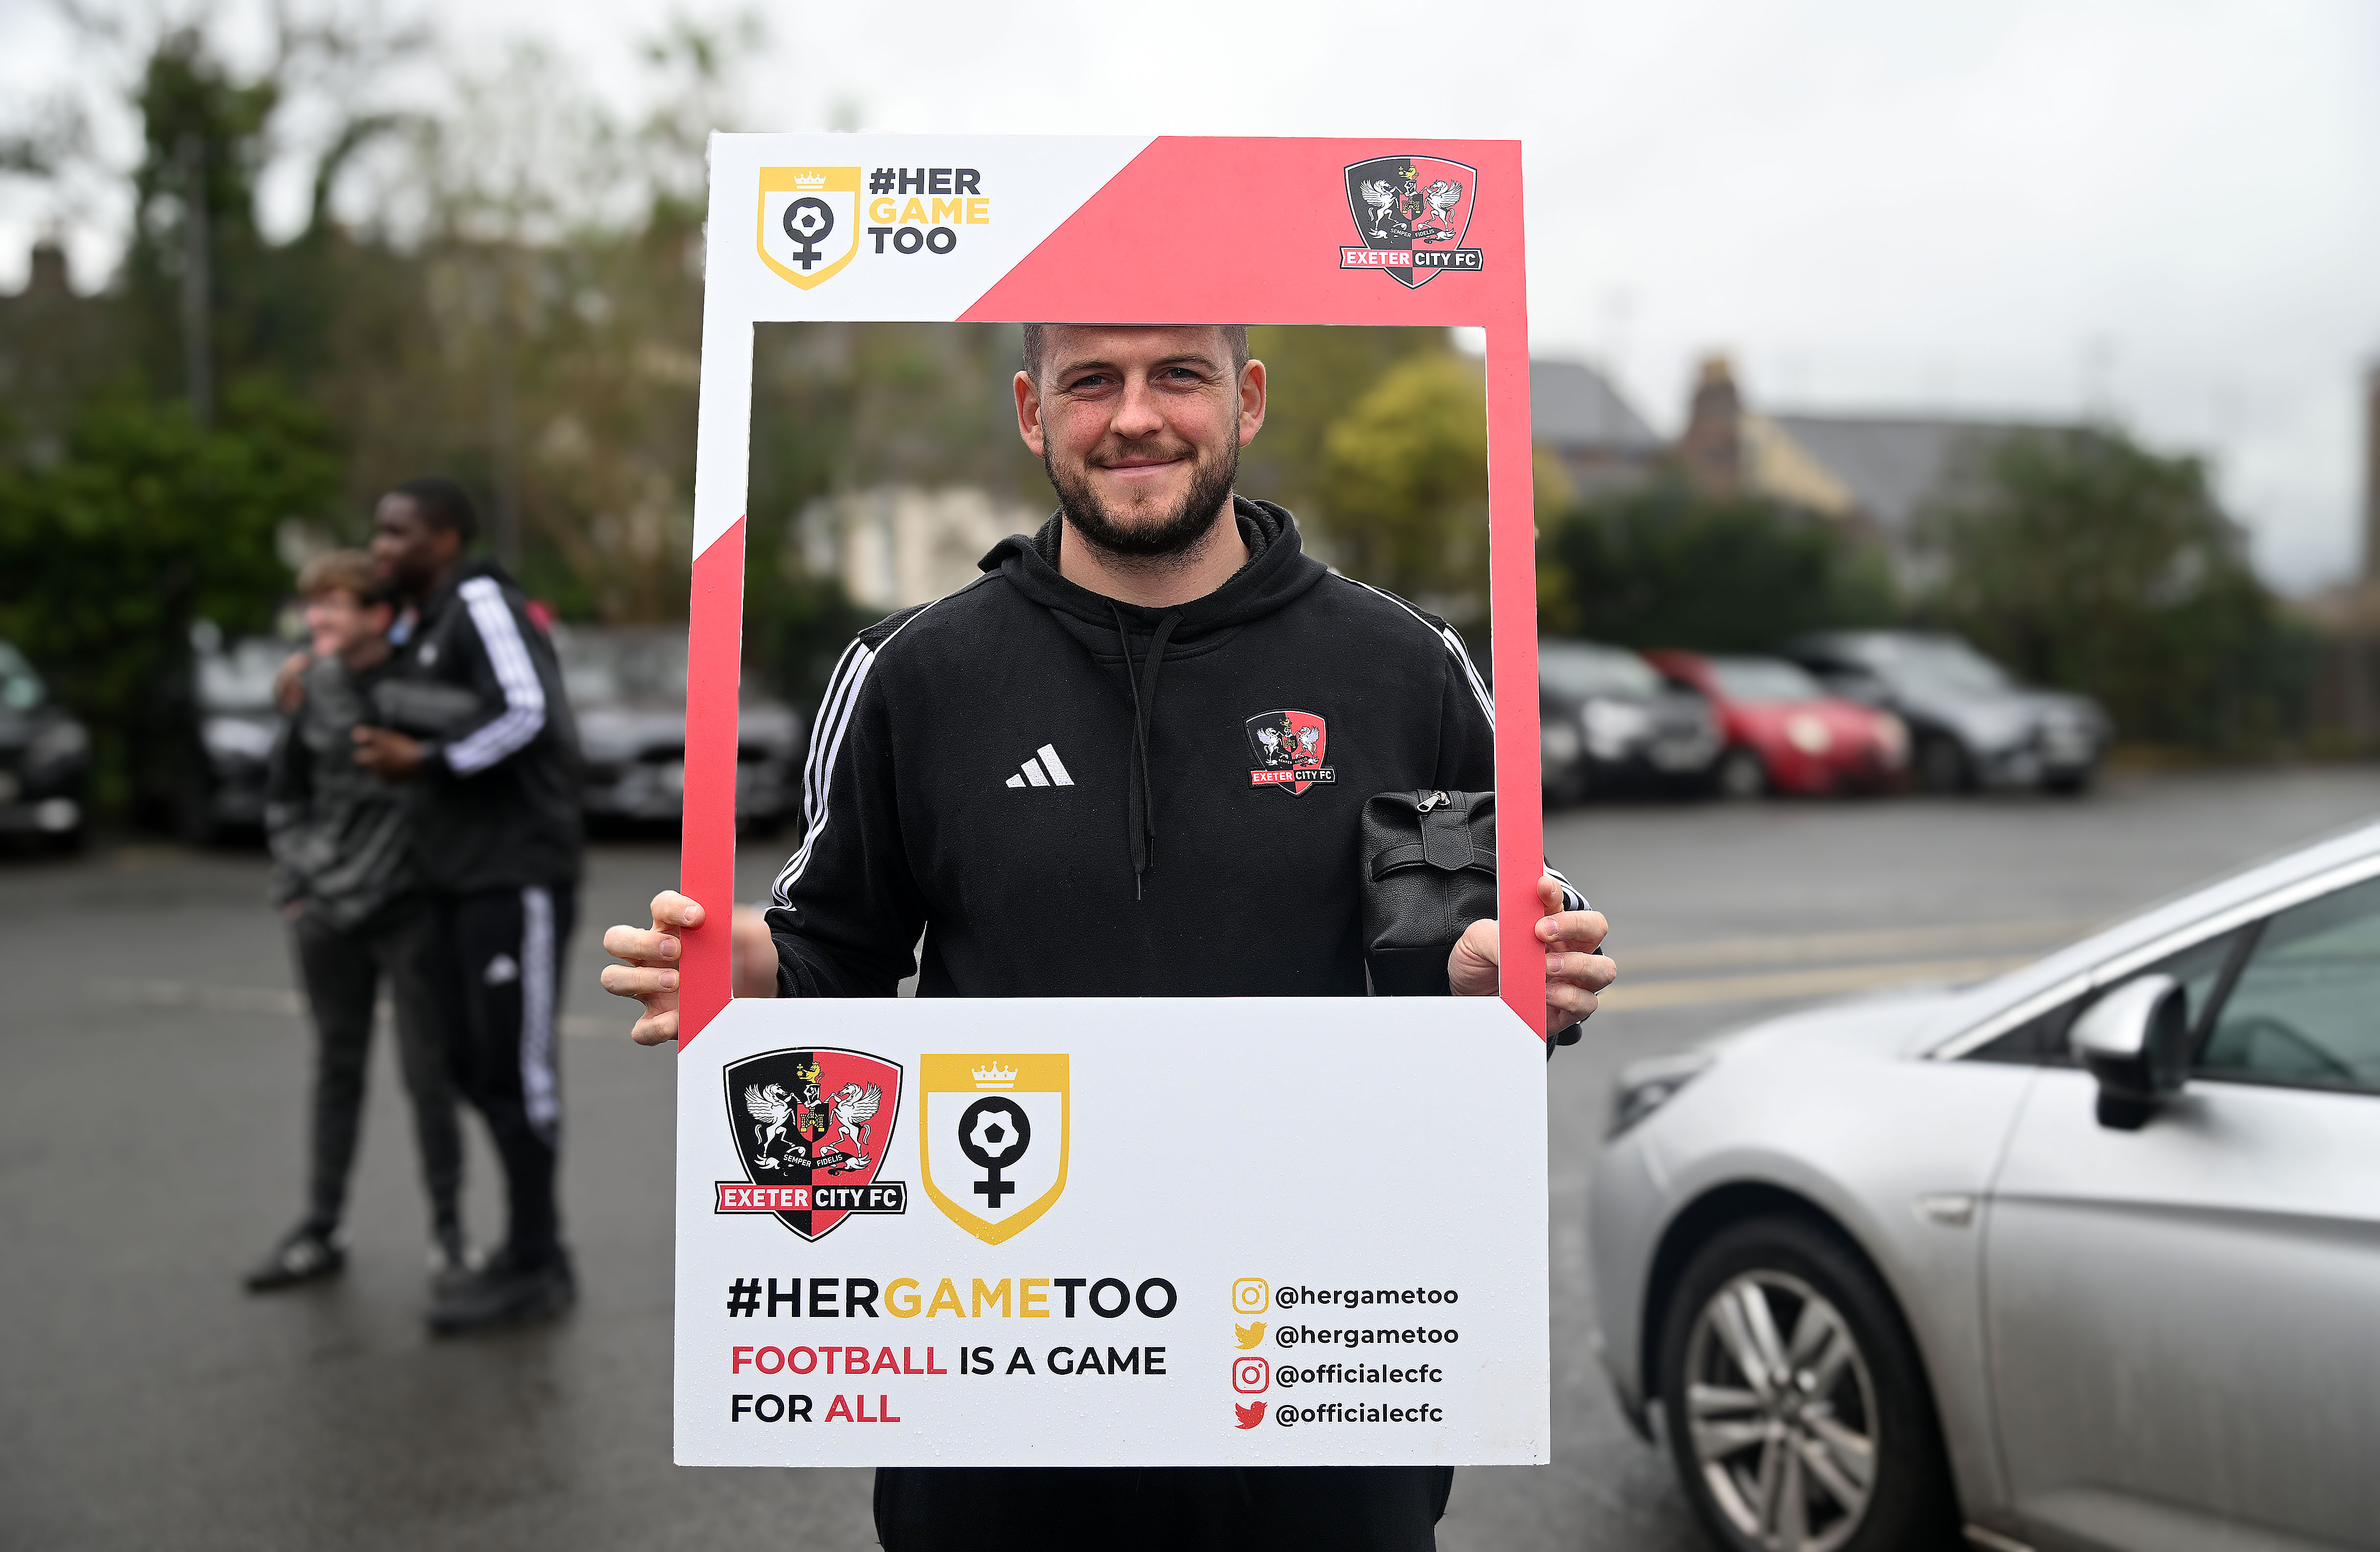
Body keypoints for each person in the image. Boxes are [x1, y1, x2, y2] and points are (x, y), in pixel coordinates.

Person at [601, 326, 1616, 1550]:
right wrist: (759, 974)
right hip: (1003, 1361)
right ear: (1033, 412)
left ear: (1244, 397)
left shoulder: (1403, 667)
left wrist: (1498, 992)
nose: (1135, 416)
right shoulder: (915, 671)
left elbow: (1463, 963)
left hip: (1312, 1367)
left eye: (1177, 374)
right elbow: (840, 953)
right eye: (1093, 381)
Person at [352, 478, 586, 1335]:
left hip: (511, 875)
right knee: (467, 1064)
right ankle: (525, 1249)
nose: (381, 547)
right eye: (378, 532)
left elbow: (525, 711)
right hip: (450, 879)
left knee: (517, 1071)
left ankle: (539, 1258)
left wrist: (428, 761)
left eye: (397, 531)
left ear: (447, 537)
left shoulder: (482, 598)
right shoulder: (421, 617)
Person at [246, 550, 469, 1293]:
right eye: (312, 609)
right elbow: (284, 796)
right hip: (327, 911)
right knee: (336, 1070)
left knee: (427, 1075)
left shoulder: (428, 680)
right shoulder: (311, 686)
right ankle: (320, 1229)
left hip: (411, 909)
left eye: (333, 607)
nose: (316, 621)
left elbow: (478, 738)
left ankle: (450, 1238)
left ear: (379, 615)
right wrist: (301, 882)